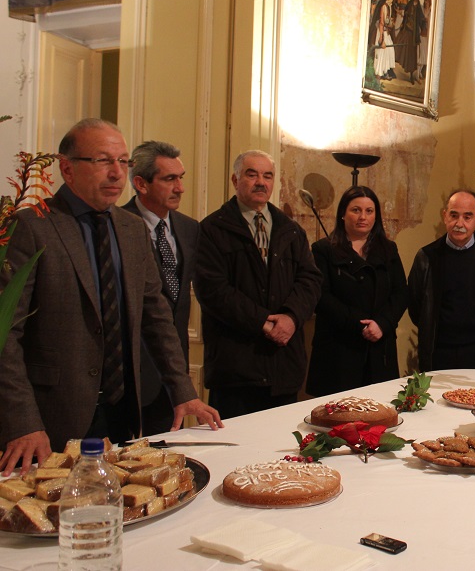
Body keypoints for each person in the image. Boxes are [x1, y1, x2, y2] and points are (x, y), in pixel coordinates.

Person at [0, 119, 221, 474]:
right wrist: (22, 421)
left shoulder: (132, 228)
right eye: (103, 161)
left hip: (122, 409)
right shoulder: (31, 226)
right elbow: (5, 334)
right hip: (51, 416)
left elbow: (156, 316)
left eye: (122, 161)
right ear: (67, 168)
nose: (117, 173)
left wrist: (183, 390)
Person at [194, 150, 322, 419]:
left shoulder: (291, 230)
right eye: (252, 175)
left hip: (283, 365)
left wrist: (291, 317)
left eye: (268, 176)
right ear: (235, 180)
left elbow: (310, 280)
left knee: (282, 443)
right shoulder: (212, 229)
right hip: (236, 368)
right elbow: (213, 290)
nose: (261, 182)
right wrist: (263, 322)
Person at [124, 140, 201, 435]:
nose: (180, 188)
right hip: (129, 373)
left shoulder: (189, 228)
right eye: (170, 179)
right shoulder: (118, 225)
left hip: (173, 373)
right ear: (141, 184)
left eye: (181, 178)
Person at [306, 186, 407, 395]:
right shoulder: (323, 249)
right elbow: (321, 297)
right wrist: (359, 325)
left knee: (380, 408)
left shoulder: (389, 249)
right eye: (356, 210)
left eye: (369, 211)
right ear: (343, 214)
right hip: (339, 349)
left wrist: (382, 324)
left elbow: (401, 293)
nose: (363, 217)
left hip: (379, 348)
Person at [408, 190, 475, 370]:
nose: (459, 224)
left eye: (467, 217)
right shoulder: (427, 256)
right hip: (438, 351)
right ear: (445, 216)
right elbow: (415, 303)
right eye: (454, 215)